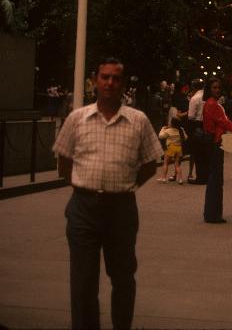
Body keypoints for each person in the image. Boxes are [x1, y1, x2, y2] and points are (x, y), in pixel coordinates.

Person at [53, 57, 161, 330]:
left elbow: (150, 162)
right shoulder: (77, 118)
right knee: (83, 281)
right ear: (95, 81)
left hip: (121, 210)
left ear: (123, 84)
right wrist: (83, 184)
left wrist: (126, 184)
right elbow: (64, 160)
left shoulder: (138, 121)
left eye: (116, 78)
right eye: (105, 77)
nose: (110, 83)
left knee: (123, 278)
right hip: (83, 209)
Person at [202, 77, 232, 223]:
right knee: (216, 180)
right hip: (216, 143)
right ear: (209, 89)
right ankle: (213, 214)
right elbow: (225, 123)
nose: (217, 90)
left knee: (214, 178)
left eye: (218, 87)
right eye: (214, 87)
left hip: (213, 142)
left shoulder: (210, 103)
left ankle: (211, 213)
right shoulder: (213, 105)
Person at [186, 80, 207, 184]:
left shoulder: (195, 98)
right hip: (207, 125)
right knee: (206, 152)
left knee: (195, 152)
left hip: (197, 126)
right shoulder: (207, 97)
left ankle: (196, 175)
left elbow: (190, 116)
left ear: (194, 88)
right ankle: (206, 174)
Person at [158, 118, 186, 183]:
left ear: (172, 123)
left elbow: (160, 136)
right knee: (177, 164)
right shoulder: (180, 130)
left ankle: (164, 178)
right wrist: (183, 130)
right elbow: (185, 137)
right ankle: (180, 179)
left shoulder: (169, 130)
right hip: (178, 148)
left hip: (171, 147)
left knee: (166, 163)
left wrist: (163, 129)